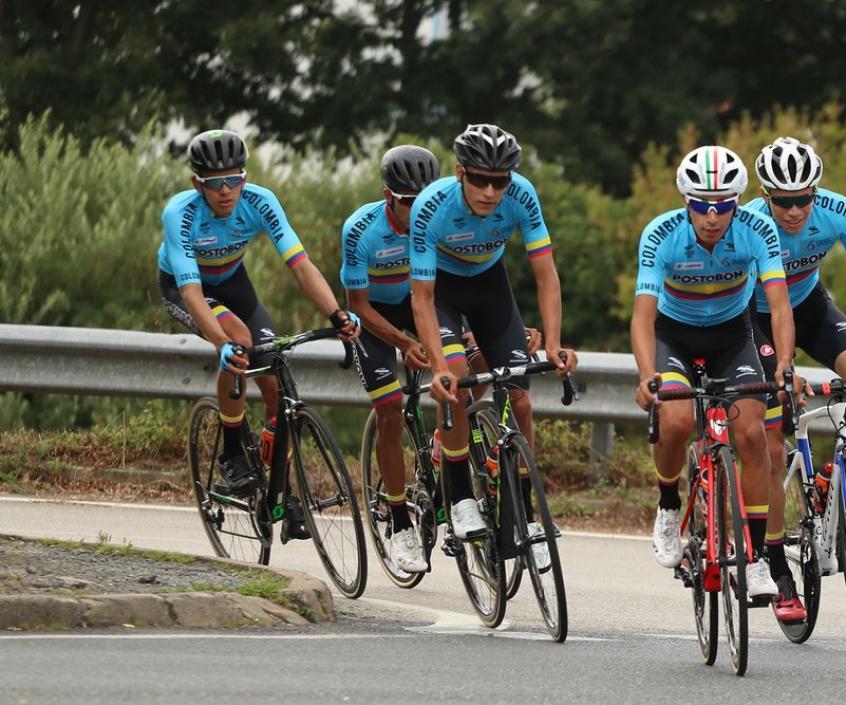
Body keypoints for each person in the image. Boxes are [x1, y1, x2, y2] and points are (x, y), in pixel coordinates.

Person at [157, 129, 359, 540]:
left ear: (245, 178)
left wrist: (337, 314)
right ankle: (232, 450)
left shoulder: (260, 202)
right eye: (215, 183)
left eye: (234, 179)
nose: (226, 190)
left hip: (234, 282)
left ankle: (283, 489)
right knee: (238, 341)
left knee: (275, 380)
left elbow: (301, 265)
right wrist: (222, 344)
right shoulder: (181, 213)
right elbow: (192, 292)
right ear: (198, 184)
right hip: (184, 286)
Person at [631, 145, 796, 601]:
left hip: (731, 334)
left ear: (736, 202)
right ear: (686, 202)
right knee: (678, 420)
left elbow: (779, 305)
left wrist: (783, 361)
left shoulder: (758, 230)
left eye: (723, 205)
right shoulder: (660, 234)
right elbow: (643, 317)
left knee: (751, 434)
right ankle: (668, 505)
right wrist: (647, 373)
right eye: (702, 206)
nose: (712, 216)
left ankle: (757, 557)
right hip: (673, 336)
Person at [408, 124, 574, 560]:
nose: (489, 191)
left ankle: (526, 512)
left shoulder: (522, 195)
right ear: (460, 173)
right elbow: (421, 298)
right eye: (479, 179)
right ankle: (460, 493)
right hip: (441, 288)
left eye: (499, 181)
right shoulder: (431, 208)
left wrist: (553, 340)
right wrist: (439, 366)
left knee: (519, 394)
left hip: (489, 285)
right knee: (458, 378)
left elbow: (545, 274)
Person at [745, 137, 846, 623]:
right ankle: (777, 567)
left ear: (816, 193)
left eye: (804, 198)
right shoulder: (749, 225)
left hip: (811, 307)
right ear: (766, 198)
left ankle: (838, 474)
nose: (794, 210)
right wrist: (783, 368)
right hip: (755, 318)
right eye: (783, 201)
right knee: (772, 445)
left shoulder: (838, 212)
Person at [341, 145, 441, 572]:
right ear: (388, 198)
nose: (419, 210)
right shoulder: (360, 230)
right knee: (390, 409)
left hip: (420, 305)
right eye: (408, 203)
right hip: (376, 317)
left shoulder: (441, 221)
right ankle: (399, 522)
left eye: (426, 200)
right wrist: (404, 343)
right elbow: (358, 305)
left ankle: (441, 453)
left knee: (469, 369)